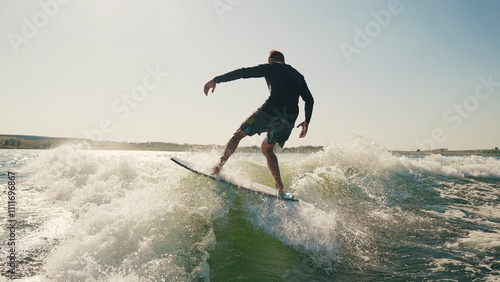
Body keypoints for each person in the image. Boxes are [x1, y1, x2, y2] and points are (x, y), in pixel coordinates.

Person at [203, 50, 314, 196]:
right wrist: (307, 121)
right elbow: (309, 100)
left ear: (271, 60)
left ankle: (218, 167)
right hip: (288, 120)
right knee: (268, 150)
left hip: (269, 112)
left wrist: (216, 80)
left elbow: (243, 73)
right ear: (283, 61)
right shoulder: (298, 75)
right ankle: (280, 187)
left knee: (238, 135)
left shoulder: (271, 67)